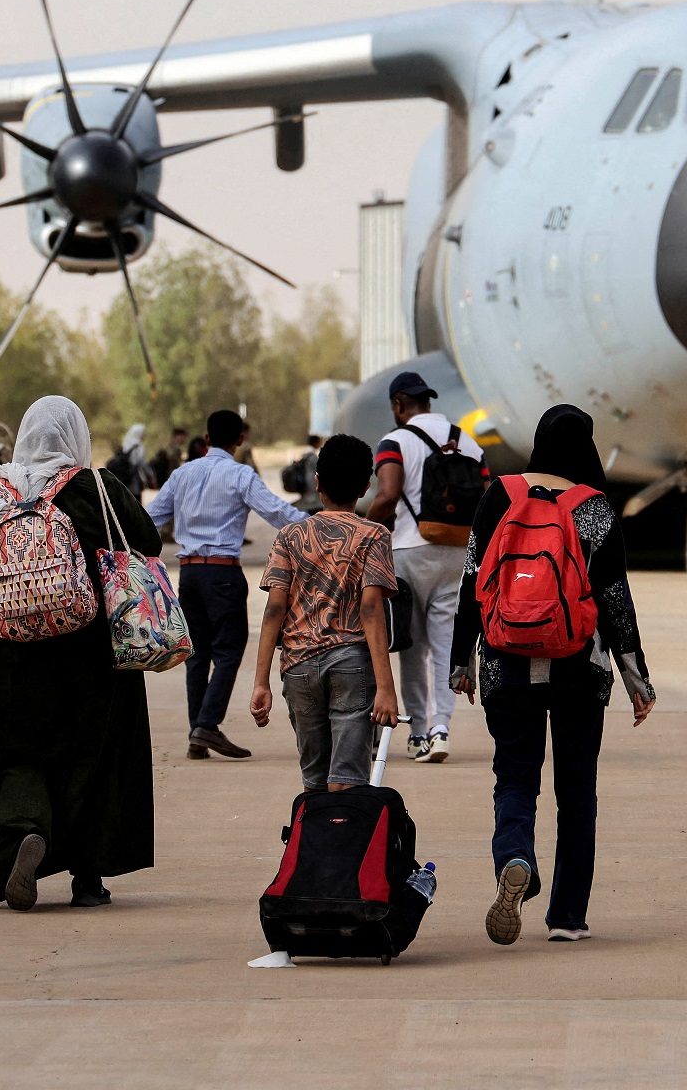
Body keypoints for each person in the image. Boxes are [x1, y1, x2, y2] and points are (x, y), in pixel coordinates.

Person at [0, 394, 158, 911]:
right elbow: (147, 544)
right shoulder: (97, 490)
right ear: (75, 438)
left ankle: (24, 834)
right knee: (92, 759)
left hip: (9, 660)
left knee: (19, 757)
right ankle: (88, 879)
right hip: (91, 660)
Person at [452, 403, 655, 945]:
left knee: (515, 776)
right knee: (576, 790)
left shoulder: (500, 494)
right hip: (578, 668)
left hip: (505, 660)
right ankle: (567, 916)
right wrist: (637, 679)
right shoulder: (594, 508)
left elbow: (473, 578)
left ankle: (515, 856)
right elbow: (615, 599)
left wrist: (460, 661)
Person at [146, 409, 307, 761]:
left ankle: (197, 734)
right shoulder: (240, 475)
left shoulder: (182, 474)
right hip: (222, 574)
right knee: (230, 651)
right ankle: (207, 723)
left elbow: (150, 519)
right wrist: (323, 522)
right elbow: (278, 514)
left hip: (188, 574)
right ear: (240, 440)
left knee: (197, 653)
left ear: (205, 439)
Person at [249, 435, 399, 791]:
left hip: (298, 667)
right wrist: (387, 687)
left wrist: (261, 682)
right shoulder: (373, 535)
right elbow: (371, 608)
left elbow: (274, 610)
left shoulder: (290, 536)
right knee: (347, 778)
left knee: (314, 780)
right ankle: (344, 842)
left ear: (317, 482)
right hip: (351, 663)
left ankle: (317, 843)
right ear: (365, 486)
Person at [363, 369, 485, 763]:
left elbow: (387, 495)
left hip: (409, 553)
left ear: (398, 405)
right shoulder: (467, 440)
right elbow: (486, 496)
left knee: (412, 647)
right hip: (457, 552)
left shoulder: (394, 442)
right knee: (447, 645)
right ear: (428, 401)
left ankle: (416, 733)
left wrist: (365, 530)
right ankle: (442, 728)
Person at [283, 434, 324, 513]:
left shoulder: (305, 454)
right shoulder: (312, 456)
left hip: (306, 483)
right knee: (311, 505)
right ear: (316, 443)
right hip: (310, 484)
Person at [105, 423, 148, 490]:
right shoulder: (138, 446)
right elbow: (141, 463)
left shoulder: (126, 441)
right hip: (131, 477)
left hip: (122, 477)